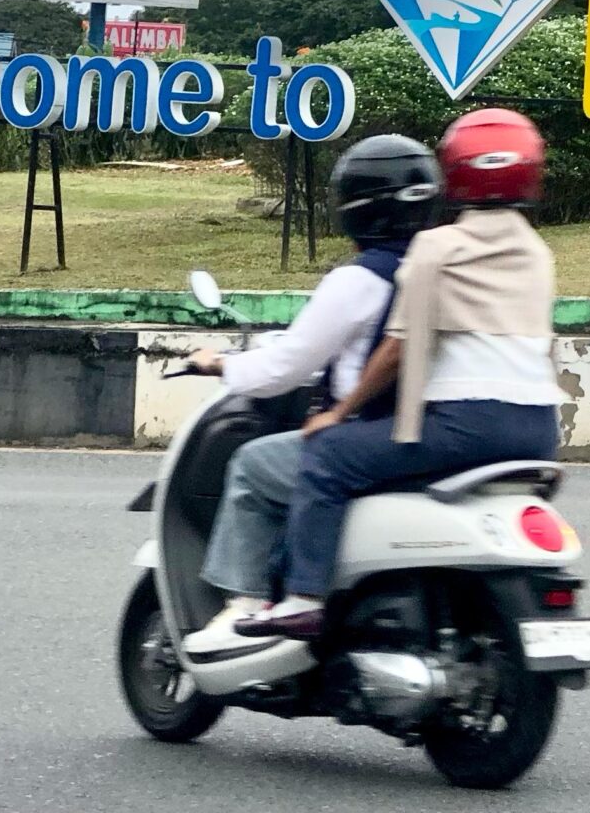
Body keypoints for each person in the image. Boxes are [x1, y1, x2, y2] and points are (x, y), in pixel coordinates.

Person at [240, 107, 564, 640]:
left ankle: (302, 598)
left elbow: (397, 347)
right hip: (538, 431)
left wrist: (339, 414)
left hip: (464, 426)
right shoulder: (537, 253)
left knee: (329, 456)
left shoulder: (437, 246)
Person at [178, 134, 440, 655]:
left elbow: (282, 371)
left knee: (253, 465)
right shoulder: (444, 267)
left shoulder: (360, 279)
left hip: (371, 432)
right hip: (439, 433)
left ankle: (246, 605)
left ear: (355, 208)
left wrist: (219, 363)